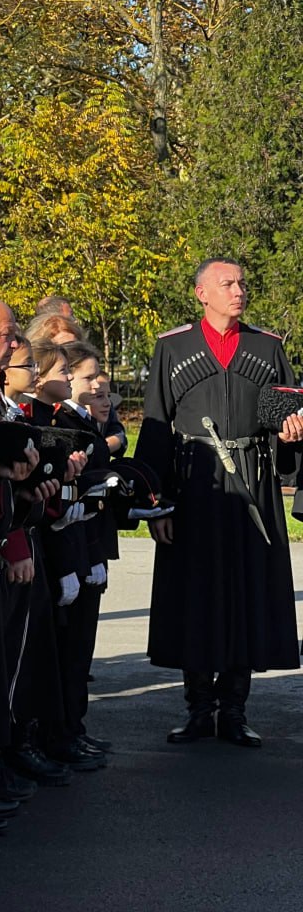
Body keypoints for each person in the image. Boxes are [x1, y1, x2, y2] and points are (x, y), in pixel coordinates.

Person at [137, 257, 303, 747]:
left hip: (253, 484)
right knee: (195, 593)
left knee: (246, 593)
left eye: (242, 283)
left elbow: (289, 415)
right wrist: (158, 501)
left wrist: (292, 432)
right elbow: (154, 429)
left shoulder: (267, 346)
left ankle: (234, 709)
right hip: (195, 488)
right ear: (201, 293)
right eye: (227, 283)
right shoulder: (173, 347)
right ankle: (198, 708)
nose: (238, 291)